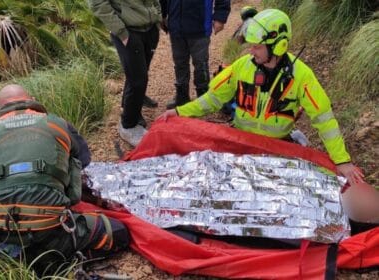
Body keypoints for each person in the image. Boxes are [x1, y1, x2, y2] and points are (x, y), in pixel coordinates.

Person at [158, 9, 379, 223]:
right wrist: (180, 112)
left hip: (278, 149)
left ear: (279, 45)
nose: (251, 51)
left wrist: (342, 160)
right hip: (241, 145)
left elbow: (323, 119)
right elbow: (212, 99)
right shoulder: (242, 67)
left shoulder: (301, 76)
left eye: (256, 47)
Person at [0, 84, 129, 275]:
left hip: (0, 233)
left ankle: (14, 258)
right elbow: (83, 160)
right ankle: (68, 261)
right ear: (31, 99)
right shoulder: (55, 123)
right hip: (52, 231)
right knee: (119, 233)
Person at [89, 0, 162, 146]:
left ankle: (129, 108)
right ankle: (128, 124)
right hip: (128, 31)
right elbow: (97, 3)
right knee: (138, 80)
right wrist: (121, 32)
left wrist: (157, 17)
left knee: (138, 74)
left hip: (150, 28)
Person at [160, 0, 231, 109]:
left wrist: (220, 18)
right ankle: (182, 97)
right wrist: (162, 14)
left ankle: (203, 98)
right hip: (176, 26)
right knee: (179, 63)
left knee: (200, 64)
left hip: (199, 27)